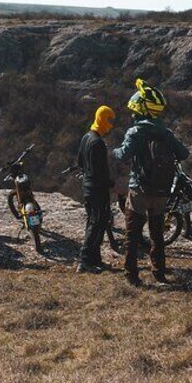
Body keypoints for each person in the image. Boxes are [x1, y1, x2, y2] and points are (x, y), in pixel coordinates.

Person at [113, 79, 189, 286]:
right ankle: (159, 271)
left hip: (140, 189)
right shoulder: (166, 133)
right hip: (162, 191)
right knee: (157, 234)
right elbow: (184, 153)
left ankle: (132, 275)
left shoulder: (136, 132)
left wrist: (113, 150)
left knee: (133, 234)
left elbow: (123, 155)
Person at [75, 105, 116, 273]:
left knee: (94, 222)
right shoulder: (98, 143)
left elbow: (79, 162)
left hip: (88, 187)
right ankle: (85, 260)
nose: (110, 125)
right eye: (109, 120)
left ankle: (95, 259)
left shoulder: (86, 137)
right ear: (102, 119)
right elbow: (100, 172)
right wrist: (110, 185)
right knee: (96, 222)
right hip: (98, 190)